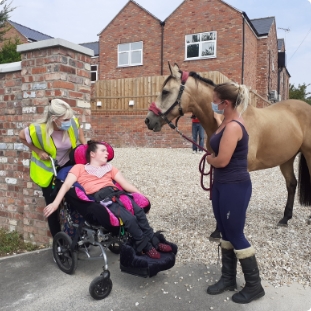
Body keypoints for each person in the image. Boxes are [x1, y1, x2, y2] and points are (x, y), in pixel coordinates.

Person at [43, 140, 173, 259]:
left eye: (107, 151)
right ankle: (145, 246)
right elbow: (66, 185)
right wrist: (55, 204)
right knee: (130, 219)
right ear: (92, 154)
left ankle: (154, 240)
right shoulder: (79, 168)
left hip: (119, 195)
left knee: (139, 213)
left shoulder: (110, 168)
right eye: (103, 150)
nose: (107, 153)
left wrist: (141, 196)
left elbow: (126, 185)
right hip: (103, 199)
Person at [205, 82, 265, 304]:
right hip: (222, 185)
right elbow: (215, 139)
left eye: (215, 100)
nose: (214, 103)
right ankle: (228, 278)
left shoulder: (233, 127)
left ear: (225, 103)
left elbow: (221, 160)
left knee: (235, 233)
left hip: (234, 185)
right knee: (225, 231)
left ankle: (254, 285)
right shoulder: (224, 122)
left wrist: (209, 159)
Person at [19, 99, 86, 237]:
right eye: (65, 119)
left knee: (76, 199)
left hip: (67, 166)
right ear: (54, 119)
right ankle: (58, 242)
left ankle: (76, 234)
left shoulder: (72, 122)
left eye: (70, 118)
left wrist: (86, 148)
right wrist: (37, 151)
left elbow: (79, 133)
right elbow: (21, 137)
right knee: (52, 206)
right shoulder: (38, 129)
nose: (70, 121)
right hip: (48, 171)